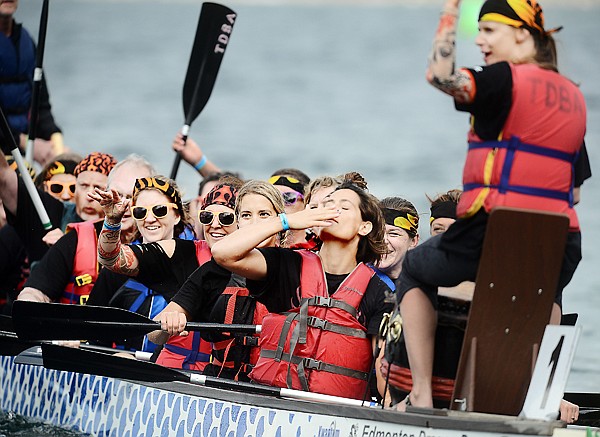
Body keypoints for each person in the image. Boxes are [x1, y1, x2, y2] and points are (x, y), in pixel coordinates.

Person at [393, 0, 589, 419]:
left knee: (413, 269)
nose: (479, 40)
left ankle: (422, 396)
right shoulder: (573, 95)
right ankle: (536, 401)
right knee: (546, 292)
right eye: (476, 30)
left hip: (492, 231)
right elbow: (573, 193)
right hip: (563, 243)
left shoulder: (504, 79)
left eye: (489, 31)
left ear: (523, 34)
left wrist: (449, 12)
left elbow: (440, 75)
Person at [211, 177, 393, 400]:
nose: (331, 211)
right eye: (327, 205)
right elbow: (223, 253)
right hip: (272, 405)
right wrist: (286, 221)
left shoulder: (379, 292)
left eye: (343, 207)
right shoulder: (287, 265)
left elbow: (386, 371)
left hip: (333, 415)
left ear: (364, 227)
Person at [92, 177, 242, 370]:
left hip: (223, 377)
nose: (214, 225)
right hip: (172, 374)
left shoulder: (261, 265)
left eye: (226, 218)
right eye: (206, 217)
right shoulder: (180, 253)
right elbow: (110, 258)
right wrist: (112, 221)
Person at [153, 179, 286, 380]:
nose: (255, 223)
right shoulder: (212, 272)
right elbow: (154, 335)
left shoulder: (297, 267)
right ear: (238, 222)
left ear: (279, 220)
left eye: (264, 215)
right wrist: (166, 324)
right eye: (247, 215)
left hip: (278, 390)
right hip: (223, 387)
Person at [16, 154, 155, 304]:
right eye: (117, 194)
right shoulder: (75, 239)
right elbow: (35, 291)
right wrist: (30, 302)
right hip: (75, 325)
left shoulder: (163, 244)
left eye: (133, 197)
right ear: (105, 193)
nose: (124, 204)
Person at [0, 151, 116, 264]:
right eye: (83, 186)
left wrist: (66, 246)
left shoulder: (125, 227)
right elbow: (4, 178)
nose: (89, 196)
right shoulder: (52, 211)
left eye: (99, 188)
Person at [0, 0, 64, 162]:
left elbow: (41, 104)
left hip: (24, 147)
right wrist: (25, 143)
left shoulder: (26, 41)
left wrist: (55, 142)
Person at [268, 168, 310, 247]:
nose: (279, 204)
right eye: (272, 198)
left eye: (288, 197)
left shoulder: (319, 247)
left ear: (307, 203)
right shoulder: (255, 246)